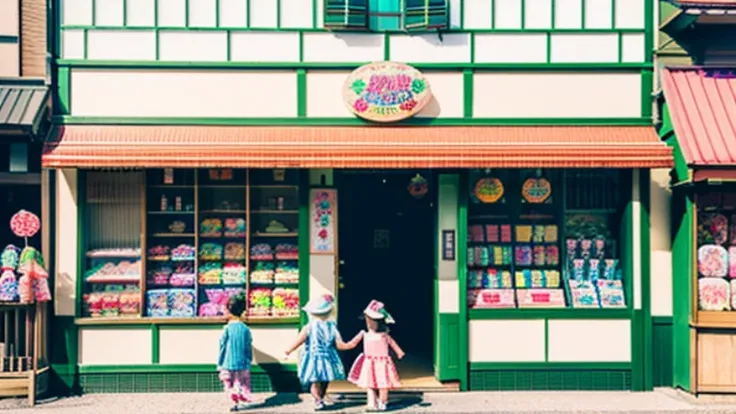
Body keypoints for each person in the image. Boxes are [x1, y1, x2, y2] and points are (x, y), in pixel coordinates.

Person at [284, 294, 361, 411]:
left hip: (313, 358)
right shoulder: (332, 327)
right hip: (328, 358)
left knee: (315, 381)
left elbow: (299, 340)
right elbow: (340, 345)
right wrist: (351, 344)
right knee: (326, 379)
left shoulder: (309, 327)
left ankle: (318, 400)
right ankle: (322, 397)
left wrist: (288, 350)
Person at [348, 300, 404, 412]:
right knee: (370, 384)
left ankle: (383, 402)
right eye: (368, 320)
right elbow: (353, 343)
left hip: (382, 364)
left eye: (373, 321)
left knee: (383, 384)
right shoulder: (364, 334)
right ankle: (371, 403)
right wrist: (344, 345)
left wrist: (399, 352)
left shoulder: (384, 335)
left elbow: (392, 344)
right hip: (369, 362)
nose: (370, 323)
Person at [217, 293, 253, 412]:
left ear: (228, 311)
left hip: (228, 360)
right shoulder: (245, 328)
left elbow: (222, 345)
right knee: (241, 380)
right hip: (242, 361)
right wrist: (249, 359)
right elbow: (248, 345)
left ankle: (233, 399)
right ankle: (240, 397)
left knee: (229, 381)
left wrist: (220, 361)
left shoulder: (227, 328)